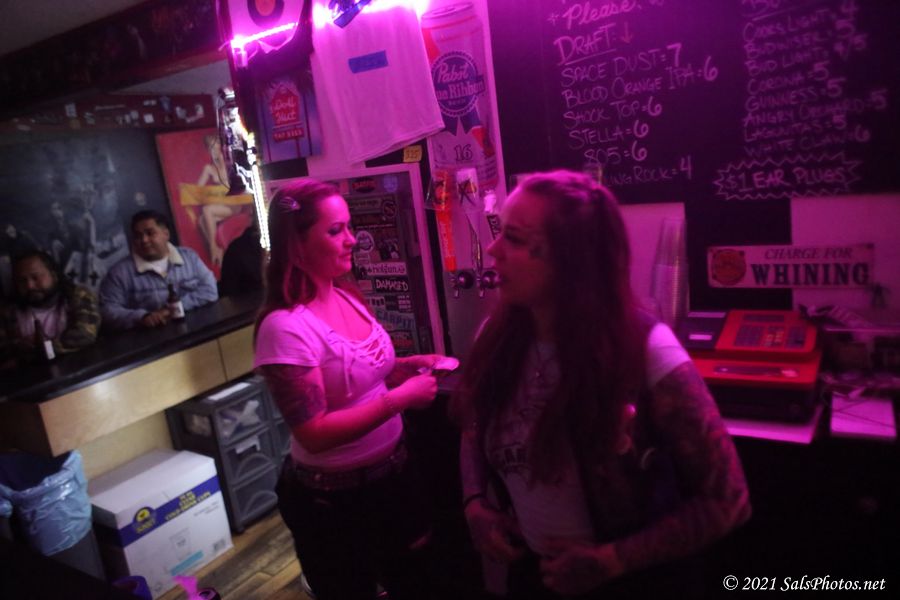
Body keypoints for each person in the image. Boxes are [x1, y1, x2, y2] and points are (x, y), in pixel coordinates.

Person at [451, 170, 751, 599]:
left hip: (631, 583)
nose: (494, 250)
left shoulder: (645, 348)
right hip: (535, 576)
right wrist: (474, 501)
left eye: (513, 238)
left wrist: (611, 561)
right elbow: (475, 423)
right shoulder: (496, 339)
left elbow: (728, 499)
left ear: (570, 259)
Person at [254, 179, 444, 600]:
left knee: (418, 582)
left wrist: (401, 370)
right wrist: (400, 399)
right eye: (335, 230)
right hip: (334, 501)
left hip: (394, 474)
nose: (352, 240)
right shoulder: (284, 327)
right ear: (296, 245)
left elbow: (361, 381)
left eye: (349, 226)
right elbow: (313, 433)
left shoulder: (344, 294)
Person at [99, 210, 218, 330]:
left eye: (150, 233)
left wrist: (171, 309)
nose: (144, 240)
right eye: (138, 236)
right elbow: (107, 311)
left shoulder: (189, 257)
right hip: (150, 337)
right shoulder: (120, 273)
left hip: (196, 330)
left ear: (166, 234)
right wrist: (142, 317)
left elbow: (210, 290)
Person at [0, 251, 100, 368]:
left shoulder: (77, 295)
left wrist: (44, 349)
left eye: (35, 277)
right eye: (22, 281)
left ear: (54, 275)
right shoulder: (8, 311)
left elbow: (85, 334)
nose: (30, 286)